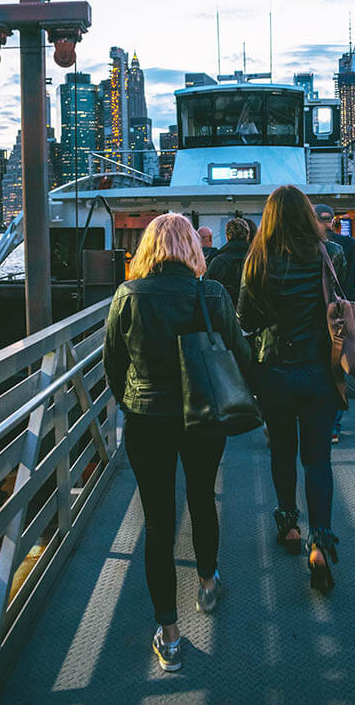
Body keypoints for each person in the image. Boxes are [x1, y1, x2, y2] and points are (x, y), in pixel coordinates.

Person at [103, 213, 250, 672]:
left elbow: (113, 363)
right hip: (203, 417)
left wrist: (131, 403)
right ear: (194, 247)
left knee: (158, 521)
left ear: (149, 248)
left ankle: (169, 634)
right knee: (202, 497)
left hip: (148, 420)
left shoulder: (127, 295)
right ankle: (207, 583)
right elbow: (239, 355)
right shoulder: (212, 294)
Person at [237, 185, 346, 592]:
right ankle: (321, 540)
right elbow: (340, 302)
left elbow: (244, 319)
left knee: (282, 450)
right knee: (318, 459)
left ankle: (289, 527)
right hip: (319, 370)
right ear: (304, 214)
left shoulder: (258, 261)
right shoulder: (328, 254)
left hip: (275, 372)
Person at [314, 204, 355, 444]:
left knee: (317, 367)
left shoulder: (307, 247)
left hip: (316, 316)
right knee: (338, 368)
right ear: (333, 222)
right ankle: (333, 425)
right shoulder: (349, 245)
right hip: (343, 316)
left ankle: (315, 421)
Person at [205, 217, 250, 304]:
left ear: (227, 236)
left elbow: (207, 290)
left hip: (224, 313)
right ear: (247, 235)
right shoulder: (257, 260)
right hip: (252, 314)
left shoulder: (217, 261)